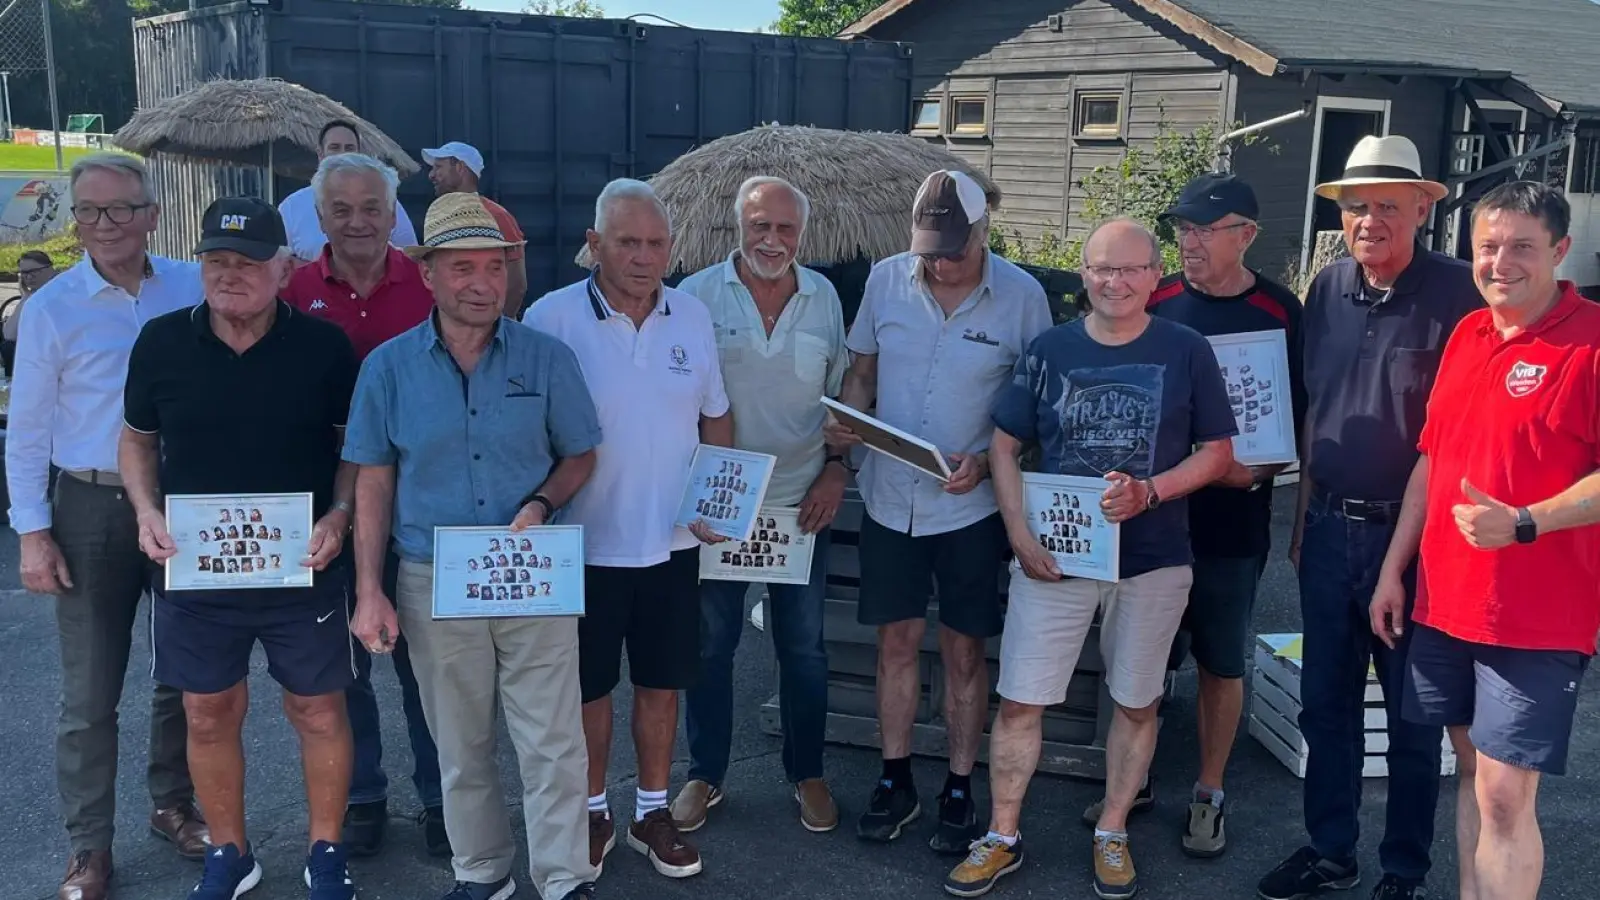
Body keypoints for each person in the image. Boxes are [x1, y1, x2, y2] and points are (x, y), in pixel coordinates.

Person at [946, 218, 1235, 900]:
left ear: (1155, 275)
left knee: (1137, 703)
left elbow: (1219, 452)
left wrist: (1151, 492)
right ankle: (1003, 834)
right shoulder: (1050, 350)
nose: (1116, 282)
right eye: (1104, 269)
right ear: (1084, 273)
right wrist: (1019, 534)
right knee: (1020, 701)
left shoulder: (1187, 350)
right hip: (1057, 557)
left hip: (1154, 560)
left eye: (1132, 269)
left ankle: (1112, 830)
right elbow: (1005, 445)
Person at [346, 192, 601, 900]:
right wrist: (370, 589)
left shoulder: (547, 359)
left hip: (531, 569)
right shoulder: (389, 369)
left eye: (494, 267)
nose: (481, 283)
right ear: (427, 274)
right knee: (459, 744)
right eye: (463, 268)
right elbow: (373, 480)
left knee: (552, 740)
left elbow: (581, 455)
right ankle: (483, 872)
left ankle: (562, 878)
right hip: (434, 574)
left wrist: (542, 503)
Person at [1257, 135, 1482, 900]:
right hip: (1325, 530)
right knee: (1326, 703)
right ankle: (1331, 850)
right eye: (1357, 207)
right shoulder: (1326, 288)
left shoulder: (1460, 294)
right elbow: (1319, 412)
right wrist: (1299, 531)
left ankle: (1404, 871)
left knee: (1415, 716)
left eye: (1389, 204)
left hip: (1417, 542)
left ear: (1424, 207)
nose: (1371, 220)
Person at [118, 197, 360, 899]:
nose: (231, 275)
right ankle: (230, 851)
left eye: (249, 262)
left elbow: (356, 450)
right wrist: (143, 509)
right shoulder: (161, 343)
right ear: (199, 265)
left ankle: (326, 851)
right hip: (196, 568)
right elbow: (136, 440)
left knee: (317, 710)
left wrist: (340, 514)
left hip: (304, 564)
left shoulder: (325, 347)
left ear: (284, 269)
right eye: (216, 261)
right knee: (207, 710)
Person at [1373, 182, 1600, 900]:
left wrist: (1527, 520)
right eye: (1488, 247)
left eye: (1522, 247)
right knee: (1472, 777)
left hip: (1534, 617)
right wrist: (1393, 570)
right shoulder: (1469, 336)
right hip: (1446, 603)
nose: (1502, 263)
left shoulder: (1591, 343)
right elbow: (1433, 460)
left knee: (1506, 796)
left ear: (1560, 252)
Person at [827, 169, 1052, 854]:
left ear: (985, 233)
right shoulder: (887, 279)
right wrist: (845, 428)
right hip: (892, 499)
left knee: (962, 651)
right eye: (930, 249)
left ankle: (959, 785)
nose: (942, 262)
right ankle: (895, 779)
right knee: (893, 644)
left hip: (972, 509)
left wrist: (985, 461)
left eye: (954, 249)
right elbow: (862, 373)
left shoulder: (1023, 296)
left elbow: (1036, 410)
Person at [5, 152, 208, 900]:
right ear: (75, 220)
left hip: (182, 503)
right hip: (89, 507)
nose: (106, 225)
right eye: (90, 211)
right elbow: (25, 431)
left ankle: (173, 803)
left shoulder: (192, 285)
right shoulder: (52, 308)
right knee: (89, 692)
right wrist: (32, 532)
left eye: (122, 209)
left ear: (152, 214)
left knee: (184, 671)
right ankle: (88, 846)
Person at [523, 178, 730, 881]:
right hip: (580, 544)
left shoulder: (693, 318)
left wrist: (721, 501)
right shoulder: (549, 317)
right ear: (594, 245)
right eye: (627, 242)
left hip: (671, 543)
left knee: (661, 684)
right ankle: (587, 810)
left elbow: (716, 417)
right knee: (585, 689)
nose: (643, 258)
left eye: (655, 244)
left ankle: (649, 810)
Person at [671, 176, 848, 833]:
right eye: (760, 228)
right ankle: (705, 774)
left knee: (803, 649)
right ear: (737, 229)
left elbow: (843, 402)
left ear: (803, 234)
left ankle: (808, 774)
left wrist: (836, 470)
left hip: (801, 504)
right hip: (721, 504)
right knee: (710, 647)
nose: (772, 241)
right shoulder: (694, 297)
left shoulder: (826, 297)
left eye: (785, 229)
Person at [281, 152, 445, 856]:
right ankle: (364, 796)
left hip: (420, 499)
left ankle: (443, 797)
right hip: (320, 506)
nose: (357, 221)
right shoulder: (289, 287)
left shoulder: (427, 283)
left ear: (392, 214)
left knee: (428, 665)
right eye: (341, 209)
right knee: (340, 666)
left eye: (371, 207)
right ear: (320, 218)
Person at [1145, 173, 1307, 857]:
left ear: (1246, 234)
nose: (1190, 241)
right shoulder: (1157, 300)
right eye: (1182, 229)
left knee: (1221, 658)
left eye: (1205, 229)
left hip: (1233, 517)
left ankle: (1210, 790)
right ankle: (1133, 776)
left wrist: (1256, 471)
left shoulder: (1279, 311)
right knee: (1144, 657)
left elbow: (1292, 420)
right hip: (1152, 515)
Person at [279, 120, 418, 261]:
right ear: (320, 154)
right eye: (334, 148)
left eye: (349, 148)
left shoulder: (384, 200)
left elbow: (410, 254)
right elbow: (280, 261)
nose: (342, 155)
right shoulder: (291, 207)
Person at [422, 142, 528, 316]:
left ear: (460, 167)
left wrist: (494, 330)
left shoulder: (497, 216)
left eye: (439, 167)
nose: (432, 175)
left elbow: (517, 285)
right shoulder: (438, 216)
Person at [1, 248, 58, 374]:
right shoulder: (33, 295)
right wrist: (25, 298)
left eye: (34, 272)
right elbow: (9, 335)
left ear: (50, 269)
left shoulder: (62, 290)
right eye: (24, 273)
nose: (29, 277)